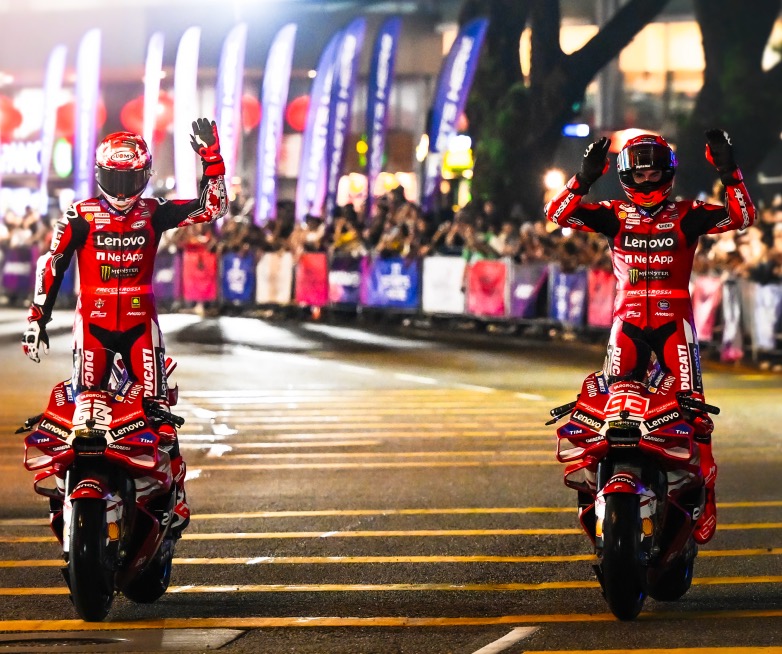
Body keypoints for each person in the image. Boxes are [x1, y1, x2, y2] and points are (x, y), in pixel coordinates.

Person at [545, 129, 756, 544]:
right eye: (638, 175)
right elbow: (558, 214)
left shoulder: (688, 213)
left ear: (667, 174)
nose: (646, 182)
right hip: (626, 325)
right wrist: (583, 179)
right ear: (625, 176)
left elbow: (742, 217)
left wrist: (729, 171)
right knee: (612, 407)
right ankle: (604, 485)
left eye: (653, 174)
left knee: (696, 414)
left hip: (674, 324)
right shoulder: (613, 214)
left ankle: (706, 495)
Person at [21, 117, 228, 535]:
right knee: (85, 411)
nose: (120, 191)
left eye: (129, 179)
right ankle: (69, 497)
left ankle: (174, 495)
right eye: (113, 179)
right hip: (92, 326)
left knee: (159, 415)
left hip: (140, 326)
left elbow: (213, 208)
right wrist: (37, 318)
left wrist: (212, 158)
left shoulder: (154, 212)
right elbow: (52, 263)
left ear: (145, 177)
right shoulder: (79, 214)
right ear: (99, 175)